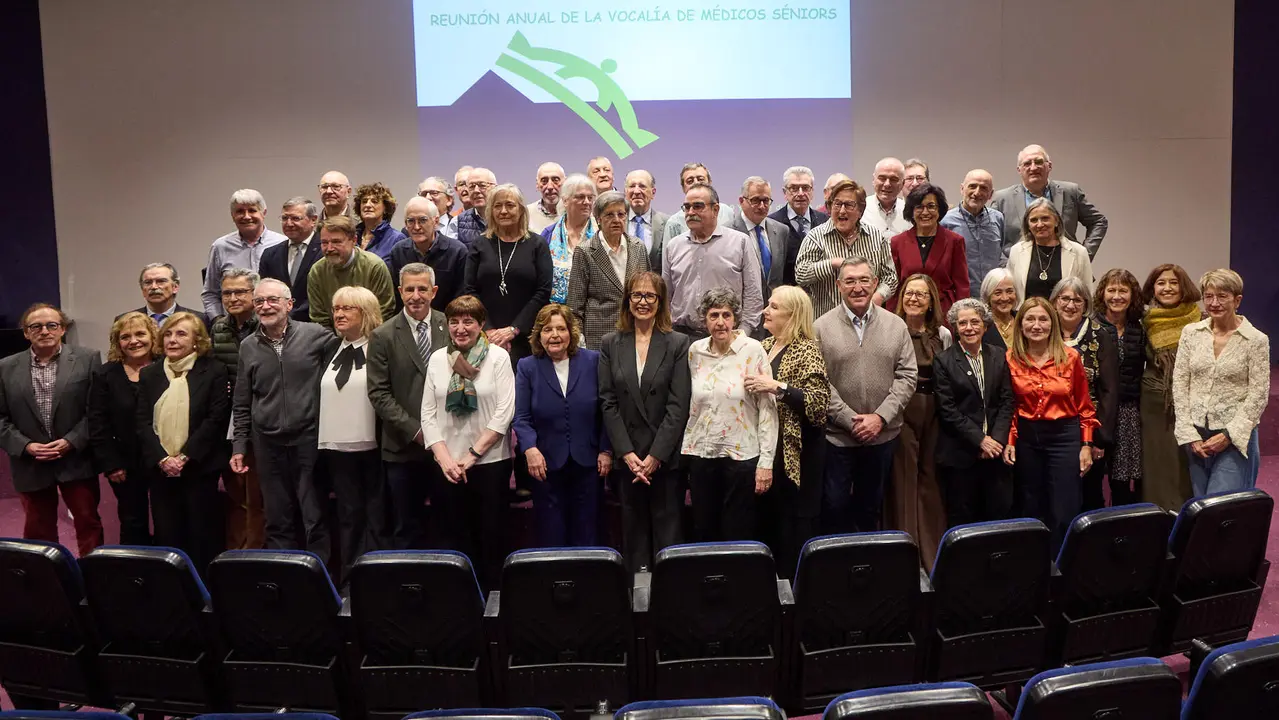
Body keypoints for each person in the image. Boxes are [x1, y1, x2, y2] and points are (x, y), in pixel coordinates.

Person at [231, 279, 338, 559]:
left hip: (308, 439)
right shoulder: (248, 346)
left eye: (272, 300)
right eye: (259, 301)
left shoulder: (317, 335)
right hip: (267, 444)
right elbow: (242, 401)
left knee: (314, 515)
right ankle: (285, 582)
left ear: (289, 304)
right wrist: (239, 446)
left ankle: (319, 582)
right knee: (277, 518)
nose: (265, 306)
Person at [815, 259, 917, 534]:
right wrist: (851, 420)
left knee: (870, 508)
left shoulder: (896, 326)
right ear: (838, 286)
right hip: (838, 437)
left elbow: (907, 376)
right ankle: (837, 569)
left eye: (864, 280)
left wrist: (879, 418)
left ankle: (867, 570)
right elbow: (819, 382)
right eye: (850, 281)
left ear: (875, 284)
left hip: (882, 435)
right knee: (834, 506)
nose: (857, 287)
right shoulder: (820, 328)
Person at [421, 295, 516, 589]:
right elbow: (427, 414)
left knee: (491, 540)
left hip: (490, 464)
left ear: (481, 324)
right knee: (454, 540)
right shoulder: (438, 359)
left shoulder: (498, 357)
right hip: (448, 466)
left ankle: (493, 606)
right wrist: (445, 459)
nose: (461, 328)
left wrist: (473, 455)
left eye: (468, 321)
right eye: (454, 322)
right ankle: (459, 605)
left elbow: (504, 412)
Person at [599, 272, 691, 573]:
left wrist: (654, 457)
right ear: (627, 300)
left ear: (660, 301)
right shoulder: (610, 343)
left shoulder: (678, 343)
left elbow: (678, 406)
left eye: (650, 296)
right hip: (628, 460)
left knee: (668, 538)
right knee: (634, 538)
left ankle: (670, 607)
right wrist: (627, 455)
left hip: (663, 459)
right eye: (636, 295)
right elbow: (608, 402)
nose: (643, 301)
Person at [0, 304, 103, 555]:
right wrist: (26, 446)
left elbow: (97, 411)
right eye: (35, 326)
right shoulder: (4, 367)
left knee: (88, 522)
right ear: (25, 333)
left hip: (76, 459)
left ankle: (95, 579)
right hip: (30, 462)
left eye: (51, 325)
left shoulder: (87, 358)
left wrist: (71, 441)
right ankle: (48, 583)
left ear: (62, 329)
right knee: (38, 529)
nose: (44, 330)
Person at [743, 286, 829, 579]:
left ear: (792, 315)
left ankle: (795, 595)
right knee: (769, 524)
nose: (765, 311)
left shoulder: (808, 349)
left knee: (794, 528)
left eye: (773, 307)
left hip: (799, 455)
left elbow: (818, 405)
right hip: (768, 449)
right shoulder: (764, 347)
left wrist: (777, 387)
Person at [681, 287, 778, 542]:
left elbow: (768, 409)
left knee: (739, 531)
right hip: (703, 453)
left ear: (735, 318)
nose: (720, 322)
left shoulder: (753, 350)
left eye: (726, 315)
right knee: (704, 529)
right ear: (705, 320)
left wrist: (766, 463)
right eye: (714, 315)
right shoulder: (695, 351)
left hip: (742, 456)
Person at [135, 312, 229, 572]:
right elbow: (142, 423)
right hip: (160, 469)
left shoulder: (214, 371)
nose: (172, 340)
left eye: (181, 334)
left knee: (202, 535)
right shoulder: (150, 374)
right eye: (168, 334)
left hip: (200, 468)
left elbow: (215, 420)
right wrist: (163, 459)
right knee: (168, 534)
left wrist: (184, 457)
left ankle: (206, 593)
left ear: (197, 340)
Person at [1002, 297, 1098, 552]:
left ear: (1052, 323)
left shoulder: (1070, 357)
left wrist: (1086, 445)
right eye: (1030, 319)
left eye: (1043, 319)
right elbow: (1009, 405)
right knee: (1030, 504)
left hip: (1064, 436)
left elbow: (1085, 406)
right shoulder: (1010, 358)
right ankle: (1033, 562)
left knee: (1064, 506)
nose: (1036, 325)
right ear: (1020, 325)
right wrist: (1010, 440)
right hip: (1027, 437)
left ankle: (1064, 565)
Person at [367, 262, 450, 550]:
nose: (416, 295)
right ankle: (408, 589)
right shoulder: (383, 335)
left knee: (446, 524)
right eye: (410, 289)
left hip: (447, 446)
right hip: (402, 448)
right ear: (400, 292)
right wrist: (417, 432)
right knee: (406, 526)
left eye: (422, 289)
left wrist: (438, 436)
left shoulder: (451, 326)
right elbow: (379, 394)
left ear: (434, 291)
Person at [514, 305, 610, 546]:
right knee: (551, 532)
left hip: (588, 462)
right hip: (545, 464)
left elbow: (607, 410)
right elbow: (521, 417)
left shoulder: (594, 361)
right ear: (538, 335)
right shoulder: (527, 367)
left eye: (560, 328)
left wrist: (606, 450)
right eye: (547, 329)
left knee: (587, 531)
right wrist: (530, 449)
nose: (554, 335)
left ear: (571, 332)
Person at [1173, 269, 1270, 495]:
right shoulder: (1191, 333)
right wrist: (1189, 434)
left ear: (1237, 300)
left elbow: (1258, 394)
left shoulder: (1256, 340)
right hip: (1197, 436)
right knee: (1200, 507)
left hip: (1234, 439)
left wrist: (1228, 436)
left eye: (1222, 296)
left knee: (1222, 508)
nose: (1214, 303)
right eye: (1208, 296)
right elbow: (1179, 384)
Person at [319, 286, 390, 584]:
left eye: (348, 308)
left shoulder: (381, 346)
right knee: (348, 516)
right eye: (336, 309)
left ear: (367, 312)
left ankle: (377, 580)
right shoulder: (328, 348)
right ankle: (349, 581)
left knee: (376, 517)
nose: (339, 314)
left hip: (373, 446)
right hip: (335, 447)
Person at [887, 274, 952, 567]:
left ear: (931, 302)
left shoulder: (943, 334)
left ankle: (932, 553)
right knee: (904, 479)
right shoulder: (890, 329)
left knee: (930, 479)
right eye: (909, 293)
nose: (913, 299)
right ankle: (905, 554)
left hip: (935, 410)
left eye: (921, 295)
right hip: (903, 409)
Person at [935, 298, 1015, 527]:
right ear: (955, 327)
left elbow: (1007, 400)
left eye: (974, 322)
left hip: (995, 454)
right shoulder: (944, 360)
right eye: (962, 323)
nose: (969, 328)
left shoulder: (1000, 355)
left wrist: (996, 441)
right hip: (961, 453)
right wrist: (980, 441)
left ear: (985, 326)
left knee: (998, 514)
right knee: (963, 518)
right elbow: (948, 409)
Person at [88, 312, 161, 546]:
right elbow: (97, 422)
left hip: (164, 459)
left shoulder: (167, 368)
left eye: (140, 334)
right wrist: (111, 464)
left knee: (167, 518)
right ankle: (134, 574)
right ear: (117, 342)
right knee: (132, 520)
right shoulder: (105, 373)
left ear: (153, 336)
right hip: (124, 462)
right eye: (125, 336)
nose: (133, 341)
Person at [463, 183, 554, 366]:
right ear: (490, 211)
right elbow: (469, 289)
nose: (503, 211)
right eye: (497, 206)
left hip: (526, 338)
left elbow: (543, 291)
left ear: (521, 210)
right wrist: (487, 329)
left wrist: (514, 329)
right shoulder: (479, 244)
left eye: (510, 205)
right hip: (486, 337)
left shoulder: (537, 244)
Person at [209, 268, 265, 550]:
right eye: (227, 292)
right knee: (234, 492)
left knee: (256, 494)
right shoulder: (218, 327)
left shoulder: (266, 324)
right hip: (227, 418)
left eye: (240, 291)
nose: (232, 298)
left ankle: (254, 551)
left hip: (261, 415)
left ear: (255, 294)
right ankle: (236, 550)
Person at [1051, 277, 1118, 511]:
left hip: (1090, 429)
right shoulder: (1043, 331)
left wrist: (1100, 439)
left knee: (1089, 494)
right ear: (1054, 302)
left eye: (1077, 300)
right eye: (1065, 299)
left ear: (1086, 304)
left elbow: (1109, 390)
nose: (1070, 305)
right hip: (1052, 430)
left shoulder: (1101, 335)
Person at [1140, 264, 1201, 510]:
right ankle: (1156, 522)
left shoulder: (1200, 320)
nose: (1167, 288)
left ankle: (1187, 521)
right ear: (1152, 288)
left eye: (1173, 283)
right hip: (1155, 403)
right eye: (1161, 283)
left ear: (1183, 286)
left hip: (1192, 402)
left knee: (1187, 467)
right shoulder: (1144, 321)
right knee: (1156, 465)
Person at [794, 179, 895, 318]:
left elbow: (890, 277)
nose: (842, 210)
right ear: (829, 208)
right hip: (827, 323)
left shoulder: (876, 237)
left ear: (860, 210)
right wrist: (832, 263)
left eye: (848, 205)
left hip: (869, 320)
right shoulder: (815, 237)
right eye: (837, 204)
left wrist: (878, 296)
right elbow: (801, 274)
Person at [991, 144, 1109, 258]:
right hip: (1018, 272)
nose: (1033, 167)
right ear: (1019, 170)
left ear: (1049, 166)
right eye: (1027, 163)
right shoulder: (1002, 199)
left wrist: (1084, 256)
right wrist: (1005, 265)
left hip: (1066, 268)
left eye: (1038, 162)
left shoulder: (1070, 192)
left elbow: (1099, 221)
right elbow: (990, 237)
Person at [567, 190, 651, 349]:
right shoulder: (585, 251)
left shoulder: (638, 247)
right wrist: (579, 343)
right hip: (599, 339)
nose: (616, 220)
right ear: (598, 219)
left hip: (636, 334)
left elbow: (650, 292)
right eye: (609, 215)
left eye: (621, 214)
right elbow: (574, 306)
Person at [1093, 268, 1146, 505]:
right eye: (1111, 290)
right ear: (1102, 293)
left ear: (1133, 295)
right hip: (1097, 410)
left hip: (1126, 409)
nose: (1117, 296)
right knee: (1094, 476)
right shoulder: (1091, 326)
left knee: (1122, 479)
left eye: (1123, 290)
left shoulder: (1139, 328)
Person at [887, 183, 970, 317]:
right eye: (919, 207)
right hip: (908, 312)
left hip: (944, 314)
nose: (925, 212)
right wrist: (891, 318)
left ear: (940, 210)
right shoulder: (897, 242)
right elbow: (894, 286)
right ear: (911, 211)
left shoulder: (955, 241)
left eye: (931, 206)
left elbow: (962, 286)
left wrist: (962, 316)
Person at [202, 189, 287, 317]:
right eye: (240, 211)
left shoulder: (282, 243)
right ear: (232, 215)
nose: (246, 216)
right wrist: (217, 321)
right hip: (234, 328)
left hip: (274, 323)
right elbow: (211, 293)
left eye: (252, 210)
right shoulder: (220, 247)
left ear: (263, 213)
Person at [307, 215, 396, 329]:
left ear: (353, 240)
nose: (329, 248)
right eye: (324, 242)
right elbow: (318, 318)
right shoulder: (317, 271)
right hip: (332, 341)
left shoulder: (374, 266)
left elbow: (384, 311)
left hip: (371, 338)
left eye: (336, 242)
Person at [387, 196, 468, 312]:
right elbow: (397, 296)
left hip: (446, 322)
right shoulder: (398, 251)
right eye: (411, 221)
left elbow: (461, 297)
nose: (416, 227)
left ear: (435, 221)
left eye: (423, 220)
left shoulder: (457, 251)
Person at [1007, 198, 1093, 301]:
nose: (1040, 224)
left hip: (1064, 315)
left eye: (1045, 218)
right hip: (1027, 316)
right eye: (1034, 220)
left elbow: (1087, 294)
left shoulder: (1079, 252)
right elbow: (1010, 292)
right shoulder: (1016, 251)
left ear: (1056, 221)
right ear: (1028, 225)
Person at [941, 170, 1006, 297]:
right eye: (972, 186)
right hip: (960, 296)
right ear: (962, 189)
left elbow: (1001, 254)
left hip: (993, 297)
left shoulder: (998, 219)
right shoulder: (945, 221)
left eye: (983, 188)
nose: (977, 193)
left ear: (990, 194)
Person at [259, 197, 323, 321]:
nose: (288, 223)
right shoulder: (270, 254)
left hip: (315, 324)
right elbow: (264, 291)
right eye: (284, 218)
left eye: (295, 218)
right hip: (278, 325)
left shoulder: (326, 250)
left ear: (313, 220)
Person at [540, 173, 598, 304]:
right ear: (565, 200)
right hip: (555, 314)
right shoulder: (548, 234)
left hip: (592, 314)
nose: (587, 202)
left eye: (590, 197)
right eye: (580, 197)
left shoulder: (600, 234)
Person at [728, 177, 790, 294]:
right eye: (755, 200)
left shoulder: (782, 231)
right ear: (741, 201)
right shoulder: (728, 232)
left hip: (774, 306)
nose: (762, 206)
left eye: (766, 200)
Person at [769, 166, 829, 286]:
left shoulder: (825, 221)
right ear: (784, 192)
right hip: (787, 297)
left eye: (805, 188)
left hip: (820, 296)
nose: (801, 193)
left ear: (812, 191)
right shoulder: (772, 223)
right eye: (794, 188)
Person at [660, 163, 738, 243]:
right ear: (683, 188)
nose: (696, 183)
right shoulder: (674, 223)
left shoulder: (727, 212)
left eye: (700, 179)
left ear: (710, 183)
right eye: (690, 181)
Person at [128, 262, 210, 328]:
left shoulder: (198, 319)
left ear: (175, 287)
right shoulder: (126, 320)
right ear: (142, 289)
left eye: (161, 281)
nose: (154, 287)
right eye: (148, 282)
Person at [624, 169, 667, 269]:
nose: (636, 191)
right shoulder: (617, 222)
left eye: (642, 186)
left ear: (653, 192)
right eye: (632, 186)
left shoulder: (666, 223)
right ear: (626, 192)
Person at [353, 182, 405, 261]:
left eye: (374, 201)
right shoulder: (351, 235)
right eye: (364, 201)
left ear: (385, 208)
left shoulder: (397, 239)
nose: (367, 205)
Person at [863, 157, 912, 235]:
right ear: (873, 180)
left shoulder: (910, 211)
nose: (887, 184)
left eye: (893, 179)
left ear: (903, 183)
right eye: (882, 178)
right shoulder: (861, 209)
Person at [457, 167, 497, 247]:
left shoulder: (506, 217)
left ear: (495, 187)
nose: (476, 190)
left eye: (482, 185)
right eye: (471, 186)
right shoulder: (457, 221)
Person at [981, 268, 1019, 348]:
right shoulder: (981, 325)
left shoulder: (1023, 320)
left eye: (1009, 291)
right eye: (998, 293)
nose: (1005, 298)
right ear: (988, 296)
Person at [527, 161, 565, 233]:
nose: (550, 187)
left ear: (565, 182)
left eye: (555, 180)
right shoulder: (526, 214)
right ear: (537, 184)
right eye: (544, 181)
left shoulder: (574, 212)